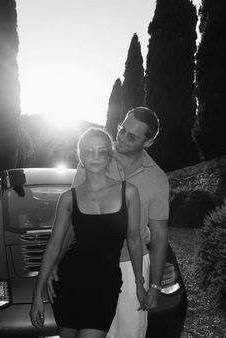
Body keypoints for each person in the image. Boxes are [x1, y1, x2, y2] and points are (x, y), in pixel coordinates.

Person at [48, 106, 169, 338]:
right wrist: (56, 261)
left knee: (130, 334)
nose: (121, 138)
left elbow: (160, 236)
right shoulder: (95, 156)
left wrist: (154, 286)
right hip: (90, 264)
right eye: (122, 129)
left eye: (131, 136)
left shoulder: (158, 179)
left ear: (149, 142)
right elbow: (74, 221)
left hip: (132, 265)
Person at [30, 127, 147, 338]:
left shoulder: (128, 192)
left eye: (101, 151)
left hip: (105, 284)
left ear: (109, 156)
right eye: (88, 151)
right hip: (69, 282)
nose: (95, 156)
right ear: (80, 156)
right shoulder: (68, 198)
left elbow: (134, 240)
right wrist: (37, 294)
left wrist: (140, 283)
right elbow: (54, 245)